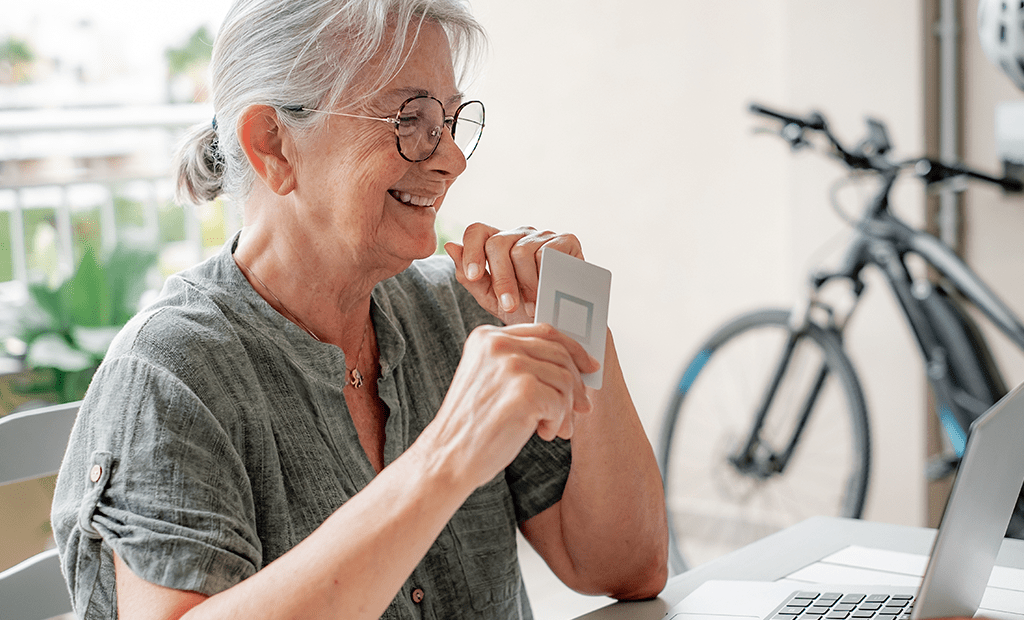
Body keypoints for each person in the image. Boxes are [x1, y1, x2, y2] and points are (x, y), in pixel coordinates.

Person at [50, 1, 668, 618]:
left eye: (451, 121)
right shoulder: (172, 372)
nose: (450, 156)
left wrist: (575, 325)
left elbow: (628, 567)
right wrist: (450, 453)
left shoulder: (453, 311)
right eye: (412, 118)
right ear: (274, 146)